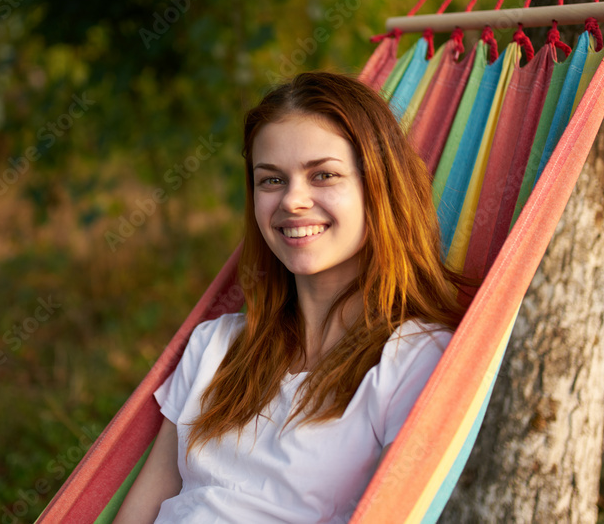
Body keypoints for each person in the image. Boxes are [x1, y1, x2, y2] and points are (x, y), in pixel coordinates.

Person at [113, 71, 469, 524]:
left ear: (378, 187)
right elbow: (141, 510)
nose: (293, 201)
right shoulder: (215, 347)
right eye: (271, 180)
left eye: (323, 174)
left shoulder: (414, 360)